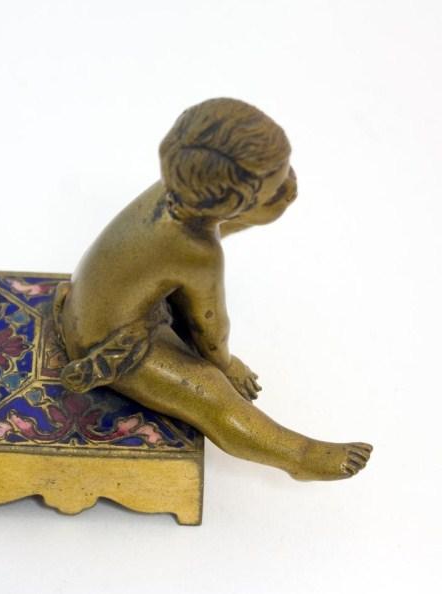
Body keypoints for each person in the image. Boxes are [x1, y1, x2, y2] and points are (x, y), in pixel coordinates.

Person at [54, 98, 372, 480]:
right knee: (212, 393)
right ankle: (299, 457)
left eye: (286, 172)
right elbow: (209, 329)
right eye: (274, 193)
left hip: (86, 301)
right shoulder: (198, 253)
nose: (290, 186)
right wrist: (226, 365)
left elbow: (221, 222)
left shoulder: (177, 191)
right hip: (109, 344)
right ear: (232, 205)